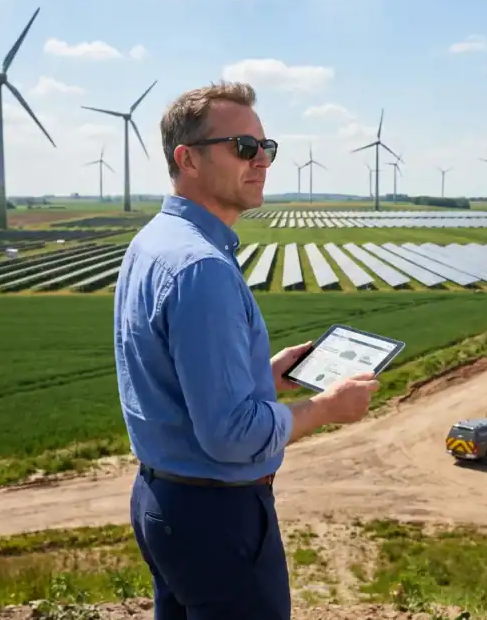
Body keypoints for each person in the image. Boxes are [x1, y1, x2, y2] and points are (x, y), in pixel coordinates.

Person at [114, 81, 380, 620]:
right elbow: (230, 435)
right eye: (243, 147)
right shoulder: (202, 268)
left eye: (267, 147)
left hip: (163, 502)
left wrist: (261, 376)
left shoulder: (153, 243)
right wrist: (328, 409)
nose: (262, 161)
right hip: (218, 519)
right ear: (187, 159)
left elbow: (174, 376)